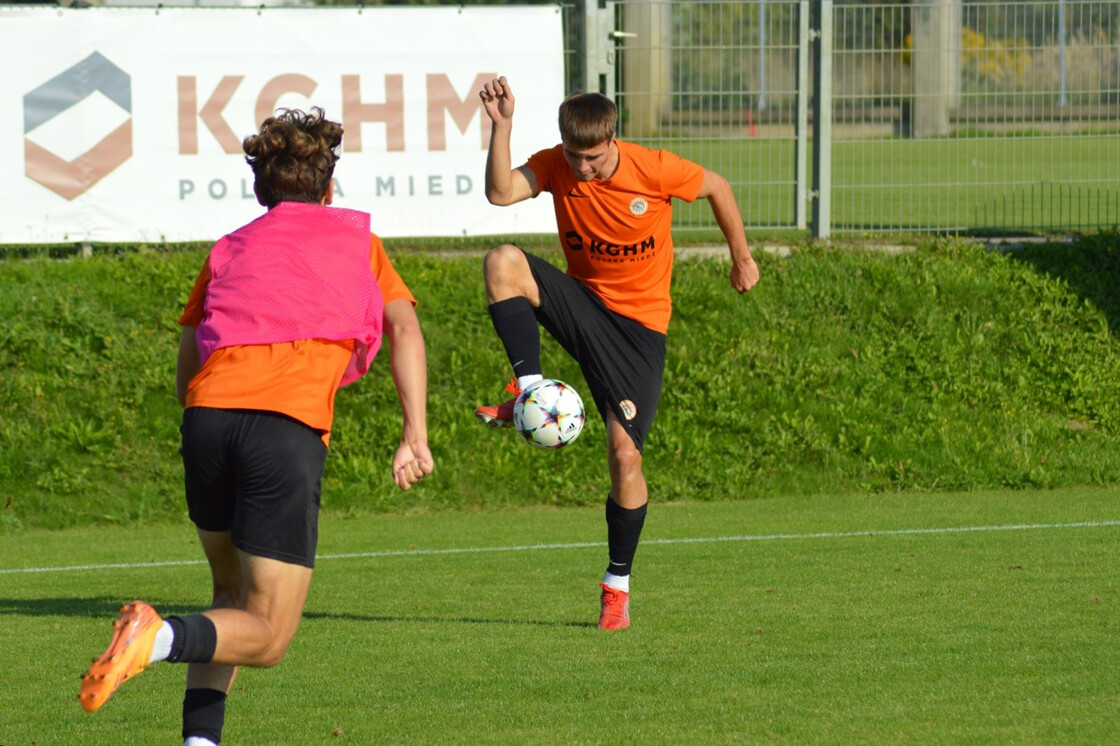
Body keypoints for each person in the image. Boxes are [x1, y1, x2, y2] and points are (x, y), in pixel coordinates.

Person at [78, 107, 434, 744]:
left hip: (209, 418)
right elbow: (405, 327)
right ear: (329, 189)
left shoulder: (231, 246)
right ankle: (156, 639)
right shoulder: (358, 241)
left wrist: (198, 414)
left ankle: (199, 741)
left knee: (229, 594)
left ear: (258, 189)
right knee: (267, 637)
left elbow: (192, 342)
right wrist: (415, 434)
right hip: (283, 429)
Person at [473, 76, 759, 631]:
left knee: (625, 457)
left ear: (613, 140)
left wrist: (741, 257)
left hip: (639, 330)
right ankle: (530, 391)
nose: (583, 168)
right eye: (575, 156)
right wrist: (501, 127)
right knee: (502, 261)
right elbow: (501, 193)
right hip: (583, 304)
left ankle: (617, 587)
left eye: (595, 157)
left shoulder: (653, 168)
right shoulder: (556, 164)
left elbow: (718, 187)